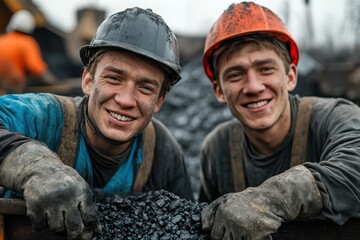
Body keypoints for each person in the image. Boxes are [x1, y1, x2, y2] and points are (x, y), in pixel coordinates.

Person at [0, 7, 193, 240]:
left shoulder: (162, 152)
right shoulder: (45, 117)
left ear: (159, 100)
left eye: (145, 88)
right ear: (88, 80)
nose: (125, 100)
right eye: (114, 78)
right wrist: (36, 166)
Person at [199, 2, 360, 239]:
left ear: (291, 76)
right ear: (219, 91)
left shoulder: (336, 117)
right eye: (235, 74)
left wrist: (274, 198)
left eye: (265, 69)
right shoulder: (217, 149)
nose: (253, 87)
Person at [0, 9, 56, 95]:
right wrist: (52, 82)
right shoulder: (27, 43)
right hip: (14, 87)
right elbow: (36, 68)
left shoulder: (2, 40)